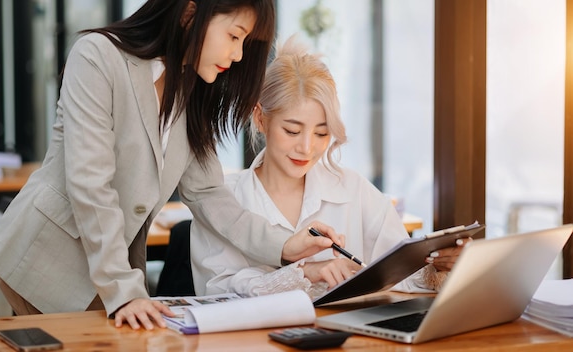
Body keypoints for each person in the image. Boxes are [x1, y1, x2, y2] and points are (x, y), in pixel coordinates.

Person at [0, 1, 341, 331]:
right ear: (190, 12)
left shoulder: (190, 86)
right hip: (46, 260)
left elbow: (208, 195)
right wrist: (124, 289)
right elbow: (90, 185)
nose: (237, 55)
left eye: (244, 43)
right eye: (234, 36)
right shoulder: (97, 57)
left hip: (111, 272)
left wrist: (284, 246)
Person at [191, 35, 470, 298]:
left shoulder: (353, 189)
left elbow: (400, 275)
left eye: (322, 134)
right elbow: (217, 291)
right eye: (292, 131)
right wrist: (305, 273)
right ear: (261, 119)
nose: (306, 148)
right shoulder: (223, 200)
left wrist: (437, 266)